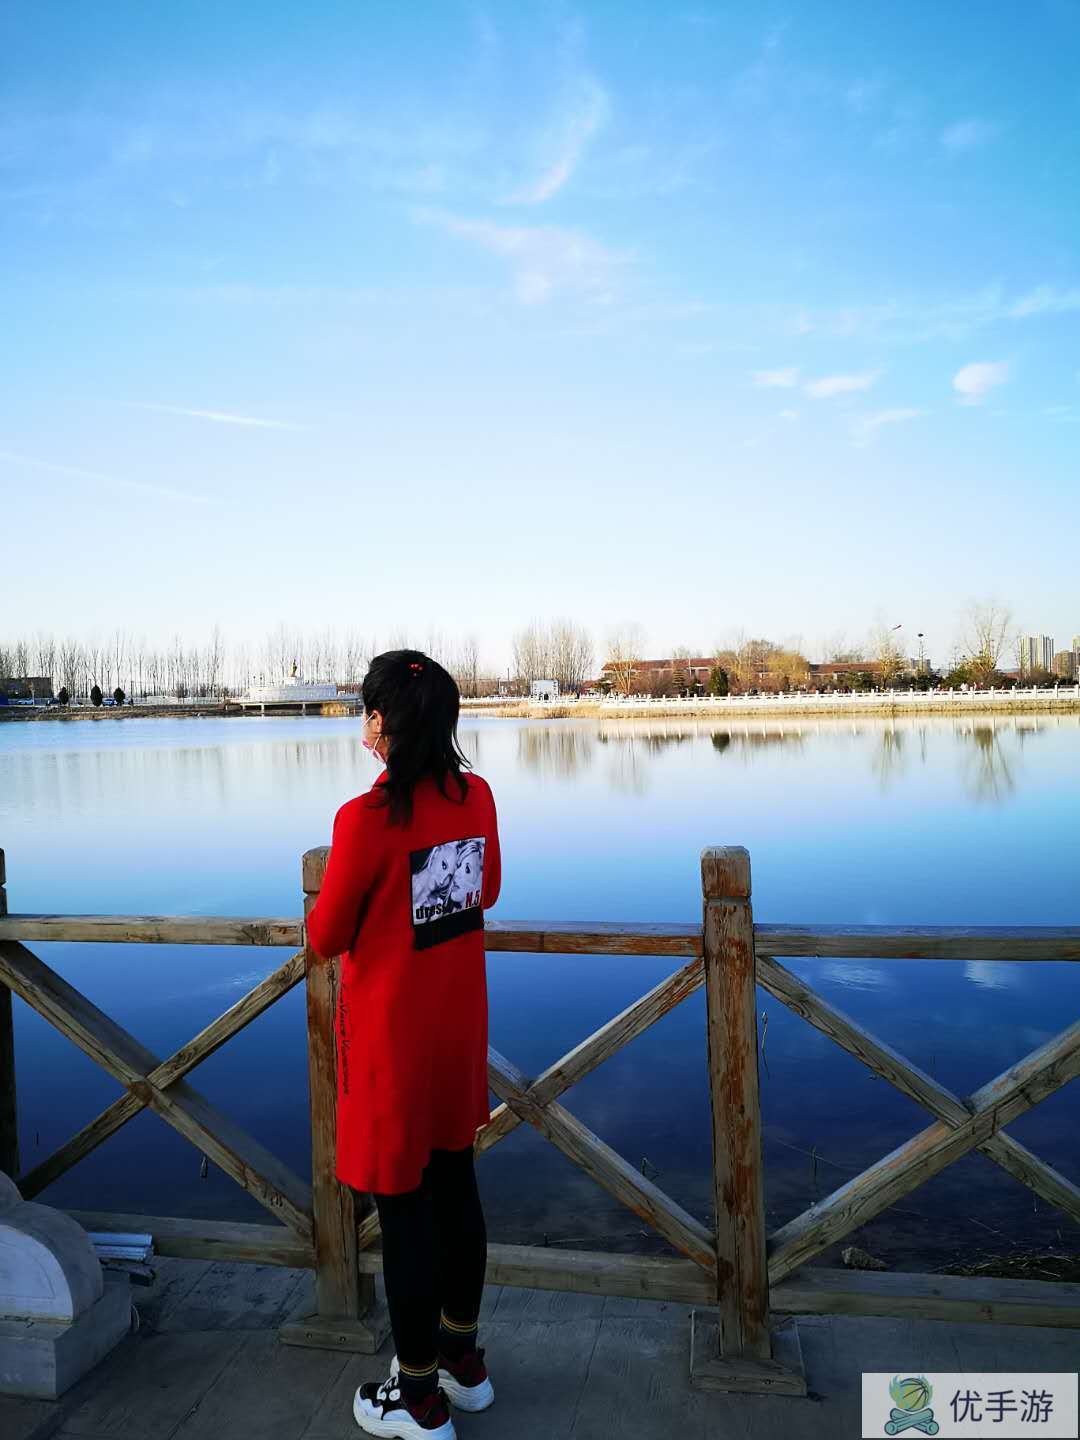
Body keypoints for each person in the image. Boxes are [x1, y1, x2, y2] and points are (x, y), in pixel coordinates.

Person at [306, 650, 501, 1440]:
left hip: (391, 1042)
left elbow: (326, 935)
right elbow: (484, 889)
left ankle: (417, 1399)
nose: (365, 722)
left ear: (381, 722)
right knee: (456, 1186)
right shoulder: (476, 796)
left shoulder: (365, 818)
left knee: (404, 1210)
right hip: (457, 1028)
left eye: (368, 710)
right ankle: (462, 1362)